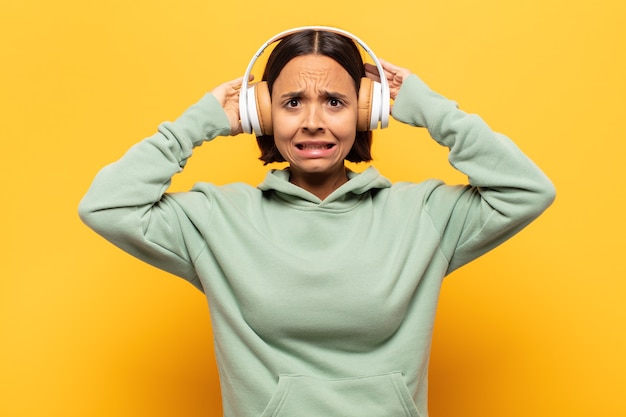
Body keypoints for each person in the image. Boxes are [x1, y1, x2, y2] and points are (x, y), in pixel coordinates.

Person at [79, 27, 555, 417]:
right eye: (290, 103)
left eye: (334, 102)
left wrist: (431, 109)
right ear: (260, 113)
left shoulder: (424, 214)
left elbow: (528, 190)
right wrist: (196, 124)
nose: (312, 122)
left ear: (367, 111)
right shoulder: (215, 220)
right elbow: (105, 205)